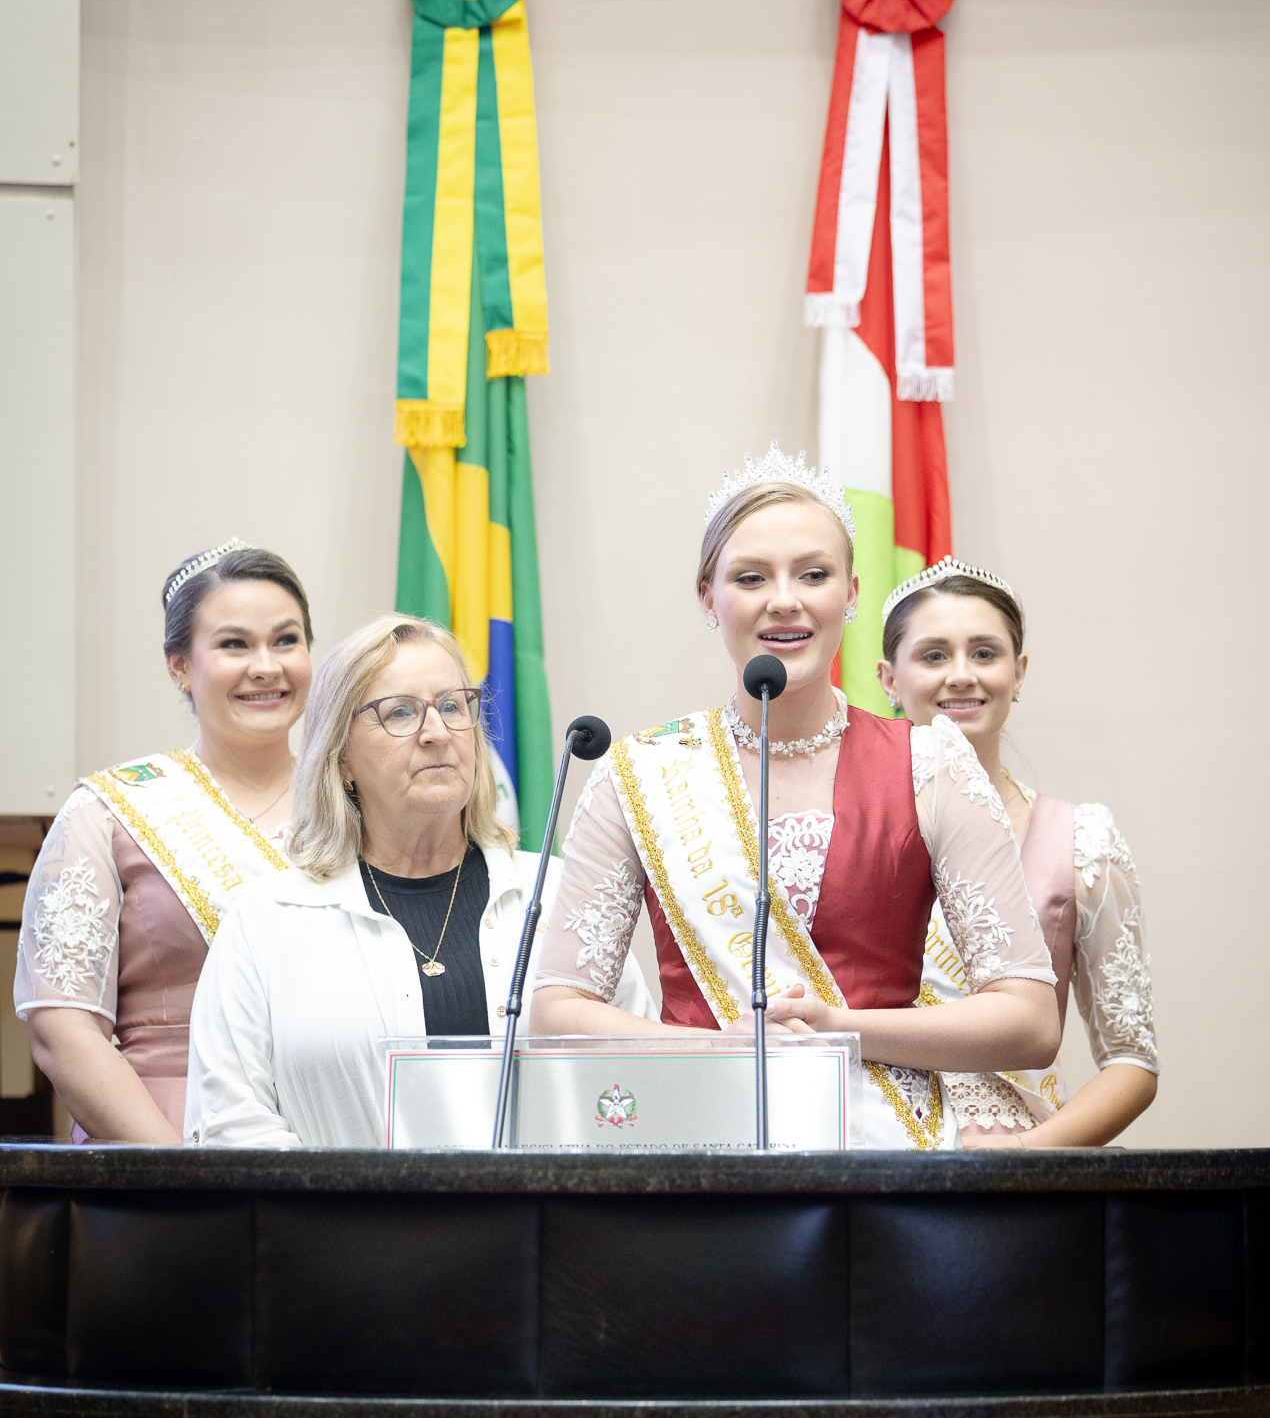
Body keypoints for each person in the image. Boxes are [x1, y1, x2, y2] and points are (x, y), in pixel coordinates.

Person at [528, 447, 1060, 1149]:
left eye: (813, 574)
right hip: (697, 1143)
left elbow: (1030, 1022)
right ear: (707, 596)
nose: (784, 599)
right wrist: (718, 1050)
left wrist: (839, 1030)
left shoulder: (932, 764)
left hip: (886, 1152)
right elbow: (556, 1012)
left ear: (851, 592)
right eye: (750, 577)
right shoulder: (639, 773)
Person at [184, 614, 654, 1146]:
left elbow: (637, 1083)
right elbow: (228, 1123)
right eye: (400, 712)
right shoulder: (266, 920)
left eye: (452, 706)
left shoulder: (557, 893)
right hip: (329, 1203)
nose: (437, 733)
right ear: (341, 758)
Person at [14, 539, 314, 1144]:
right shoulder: (109, 811)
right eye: (234, 644)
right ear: (179, 666)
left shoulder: (358, 805)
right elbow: (62, 1028)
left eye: (286, 640)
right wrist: (178, 1171)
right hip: (167, 1138)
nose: (266, 666)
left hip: (340, 1137)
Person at [878, 557, 1159, 1148]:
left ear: (1019, 671)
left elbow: (1131, 1061)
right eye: (933, 656)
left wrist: (1023, 1159)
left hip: (1010, 1163)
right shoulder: (841, 830)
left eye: (984, 653)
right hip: (865, 1141)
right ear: (888, 679)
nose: (961, 675)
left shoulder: (1080, 839)